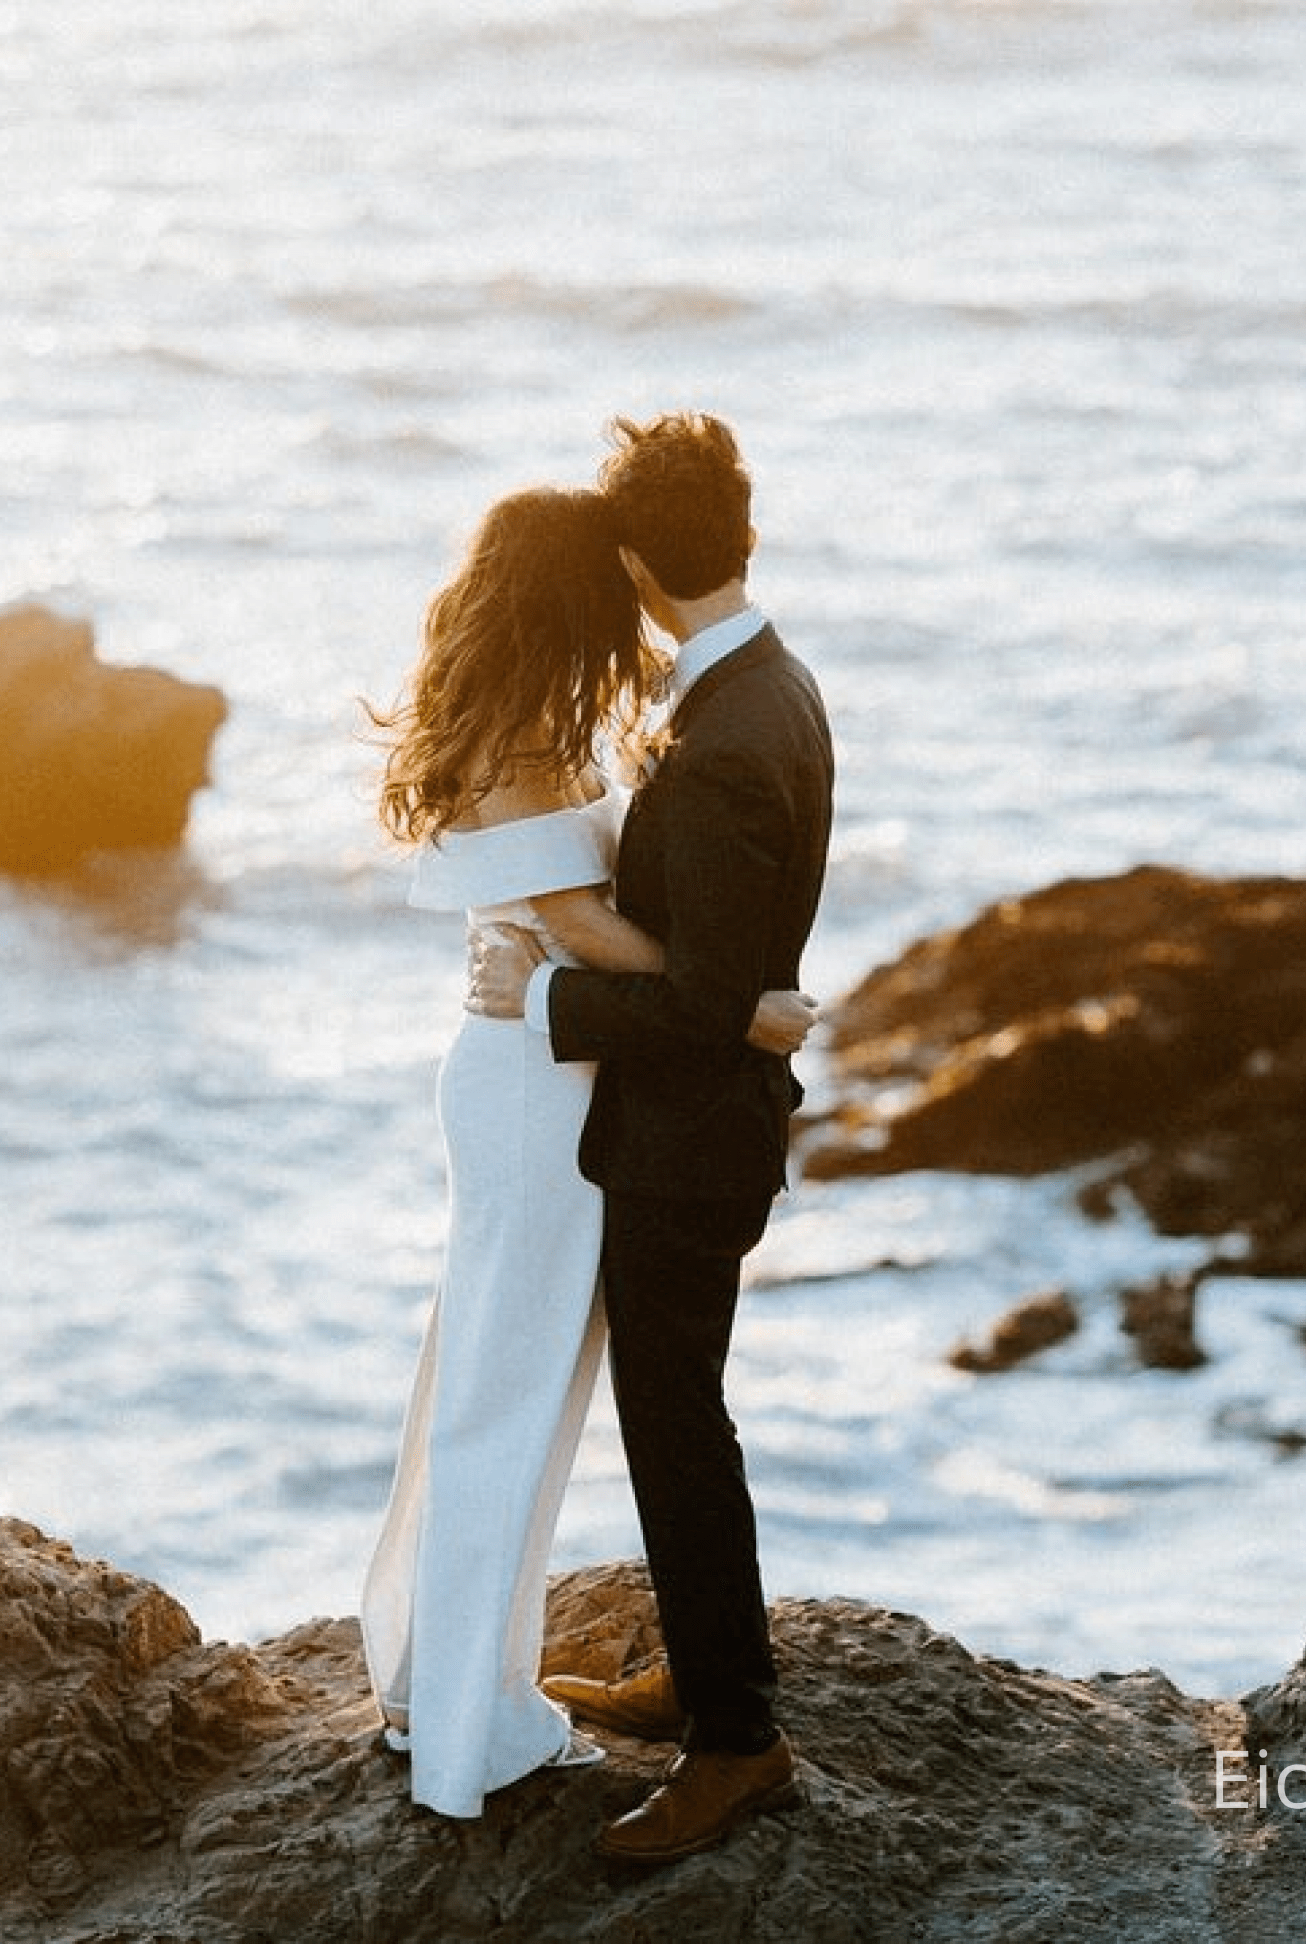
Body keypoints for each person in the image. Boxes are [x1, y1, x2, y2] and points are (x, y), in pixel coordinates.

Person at [360, 485, 814, 1820]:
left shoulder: (529, 715)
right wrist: (740, 1004)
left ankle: (442, 1675)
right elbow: (576, 920)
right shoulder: (512, 733)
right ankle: (465, 1725)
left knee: (502, 1385)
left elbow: (570, 917)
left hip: (552, 1076)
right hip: (531, 1085)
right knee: (504, 1396)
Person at [471, 413, 834, 1864]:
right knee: (686, 1418)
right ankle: (704, 1665)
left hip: (689, 1142)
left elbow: (695, 1003)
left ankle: (738, 1744)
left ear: (634, 563)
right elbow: (731, 982)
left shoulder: (729, 741)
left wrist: (547, 990)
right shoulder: (773, 686)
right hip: (704, 1123)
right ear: (738, 533)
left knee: (676, 1427)